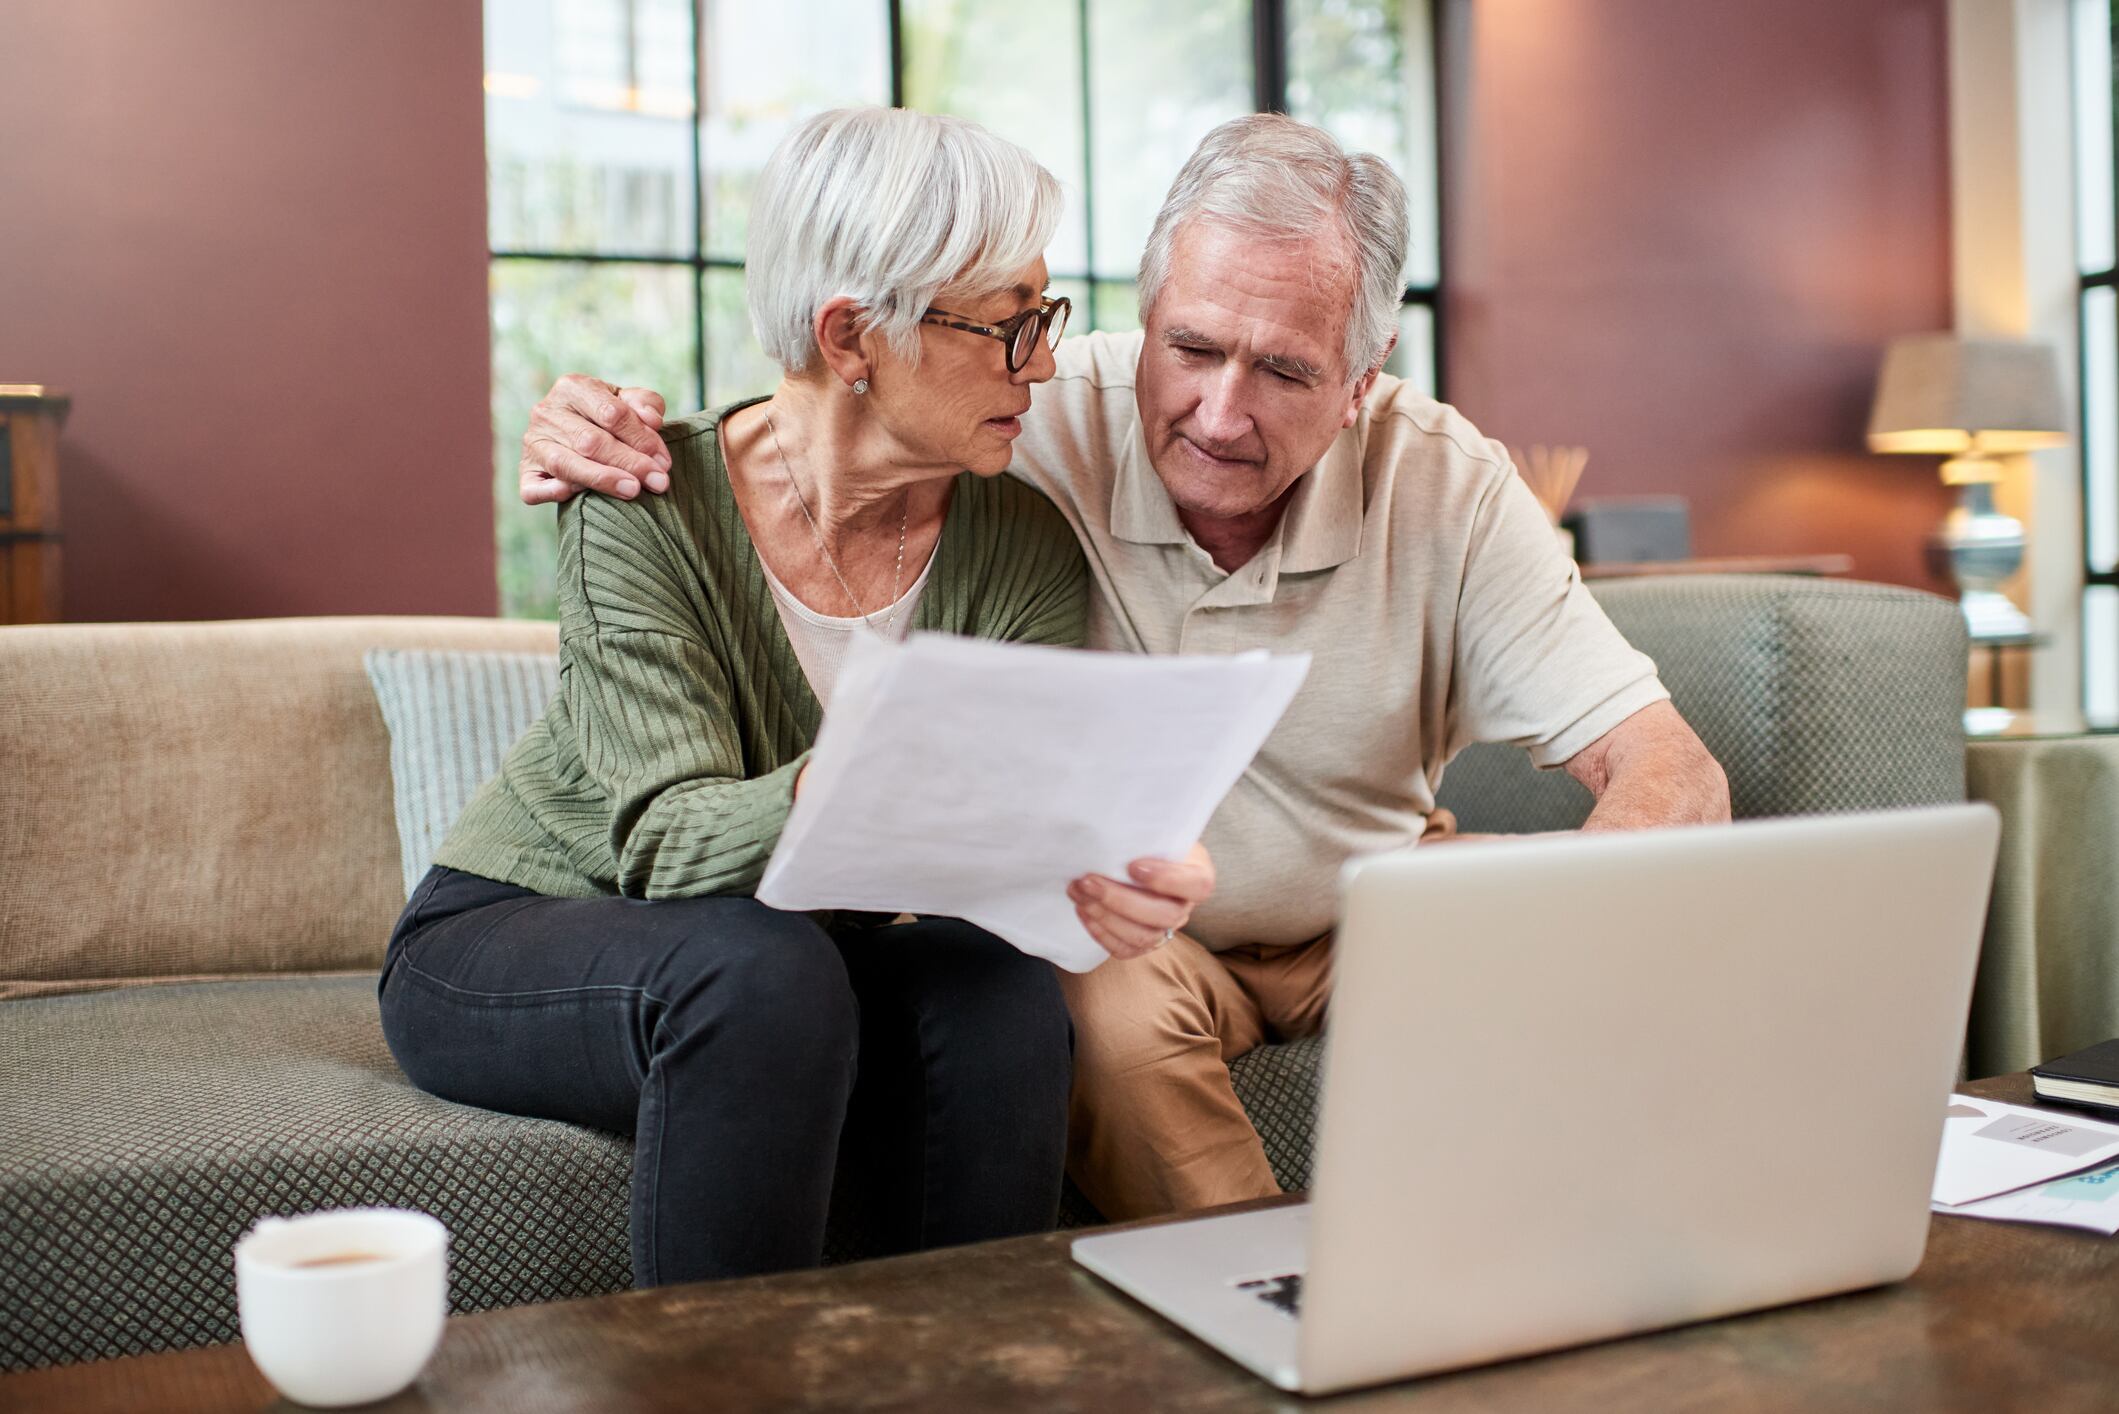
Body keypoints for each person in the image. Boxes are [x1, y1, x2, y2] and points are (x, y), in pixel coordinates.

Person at [514, 113, 1730, 1225]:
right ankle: (1278, 1314)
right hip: (1140, 939)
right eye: (1189, 347)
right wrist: (602, 430)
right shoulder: (1023, 411)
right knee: (1076, 1005)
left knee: (1628, 944)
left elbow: (1667, 764)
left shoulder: (1446, 480)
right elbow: (844, 400)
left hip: (1378, 898)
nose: (1216, 412)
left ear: (1361, 384)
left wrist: (1586, 924)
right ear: (1143, 320)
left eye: (1287, 372)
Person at [380, 106, 1214, 1290]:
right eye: (1008, 326)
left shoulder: (1020, 538)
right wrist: (865, 774)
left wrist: (1105, 868)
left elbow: (999, 840)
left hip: (801, 946)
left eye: (1045, 318)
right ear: (851, 335)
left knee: (1001, 996)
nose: (1040, 361)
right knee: (759, 973)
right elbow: (664, 844)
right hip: (523, 926)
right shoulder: (641, 500)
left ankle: (974, 1378)